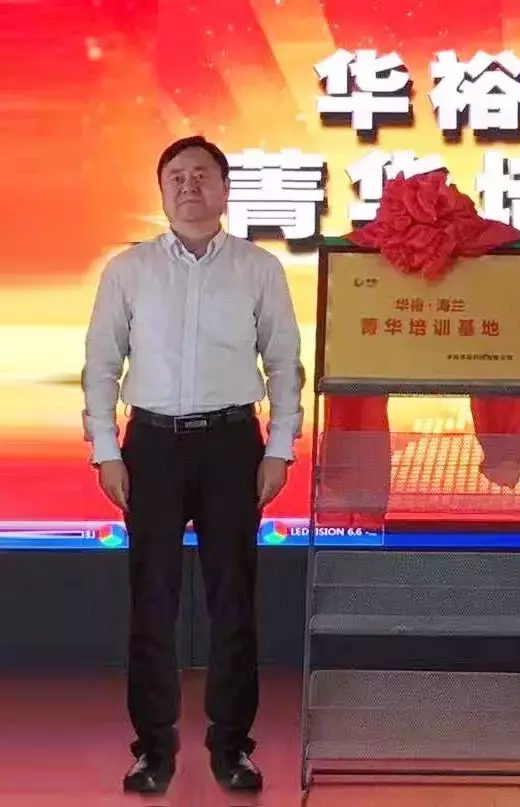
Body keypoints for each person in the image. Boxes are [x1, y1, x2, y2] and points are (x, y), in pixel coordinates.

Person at [81, 135, 304, 795]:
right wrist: (106, 450)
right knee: (151, 603)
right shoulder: (129, 270)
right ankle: (153, 750)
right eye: (175, 176)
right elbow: (101, 363)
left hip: (232, 443)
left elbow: (284, 363)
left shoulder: (259, 268)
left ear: (225, 189)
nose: (189, 186)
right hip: (150, 445)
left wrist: (279, 447)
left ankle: (232, 747)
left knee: (233, 602)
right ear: (161, 191)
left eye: (202, 175)